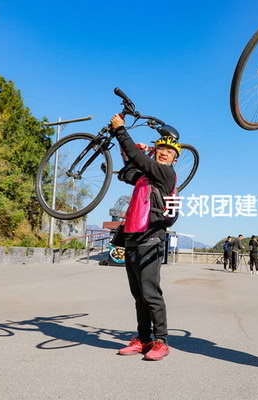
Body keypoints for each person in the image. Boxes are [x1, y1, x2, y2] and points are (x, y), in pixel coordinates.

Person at [110, 114, 180, 361]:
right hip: (131, 238)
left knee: (151, 293)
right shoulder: (144, 177)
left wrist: (121, 130)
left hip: (151, 238)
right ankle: (143, 339)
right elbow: (127, 173)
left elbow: (140, 160)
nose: (164, 153)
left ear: (174, 159)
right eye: (160, 149)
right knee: (138, 294)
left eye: (169, 152)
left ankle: (161, 341)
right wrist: (126, 152)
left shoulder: (166, 175)